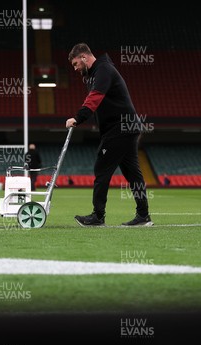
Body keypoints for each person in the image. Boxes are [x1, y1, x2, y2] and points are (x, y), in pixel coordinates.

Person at [65, 43, 152, 227]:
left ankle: (98, 216)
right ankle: (143, 216)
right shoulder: (96, 73)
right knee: (132, 173)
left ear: (83, 57)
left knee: (101, 168)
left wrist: (78, 118)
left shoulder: (103, 69)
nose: (75, 68)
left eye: (75, 64)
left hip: (120, 128)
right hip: (125, 128)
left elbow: (94, 98)